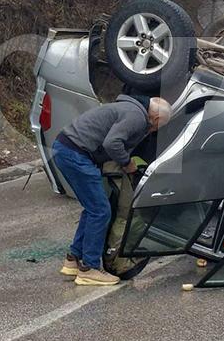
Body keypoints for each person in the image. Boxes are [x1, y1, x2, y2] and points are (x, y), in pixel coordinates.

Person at [52, 94, 172, 286]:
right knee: (101, 211)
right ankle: (89, 269)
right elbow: (112, 142)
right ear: (156, 119)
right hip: (76, 155)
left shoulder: (127, 108)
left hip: (65, 149)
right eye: (158, 127)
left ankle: (73, 259)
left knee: (93, 208)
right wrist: (127, 163)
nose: (155, 130)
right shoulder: (137, 117)